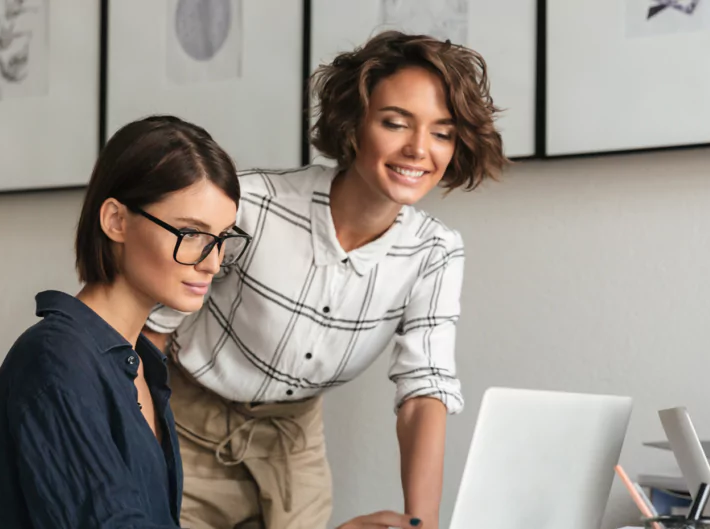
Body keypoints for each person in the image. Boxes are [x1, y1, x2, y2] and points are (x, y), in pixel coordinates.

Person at [142, 30, 509, 529]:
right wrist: (139, 453)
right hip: (184, 426)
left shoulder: (434, 253)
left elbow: (424, 392)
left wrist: (422, 524)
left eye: (442, 133)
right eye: (395, 123)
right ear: (354, 124)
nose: (419, 149)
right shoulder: (253, 206)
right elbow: (149, 333)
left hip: (294, 446)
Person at [0, 115, 249, 528]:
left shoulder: (140, 363)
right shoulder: (56, 361)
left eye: (223, 238)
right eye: (191, 233)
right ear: (116, 220)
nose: (212, 262)